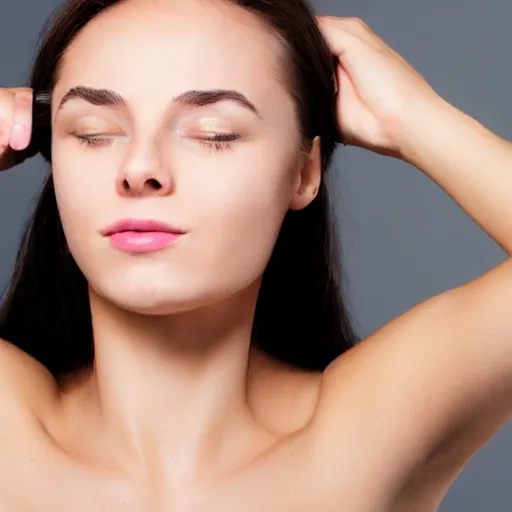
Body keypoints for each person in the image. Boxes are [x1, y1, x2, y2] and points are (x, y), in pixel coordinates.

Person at [0, 0, 510, 509]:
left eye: (214, 134)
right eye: (93, 132)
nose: (140, 167)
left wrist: (412, 116)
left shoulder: (371, 434)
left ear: (304, 171)